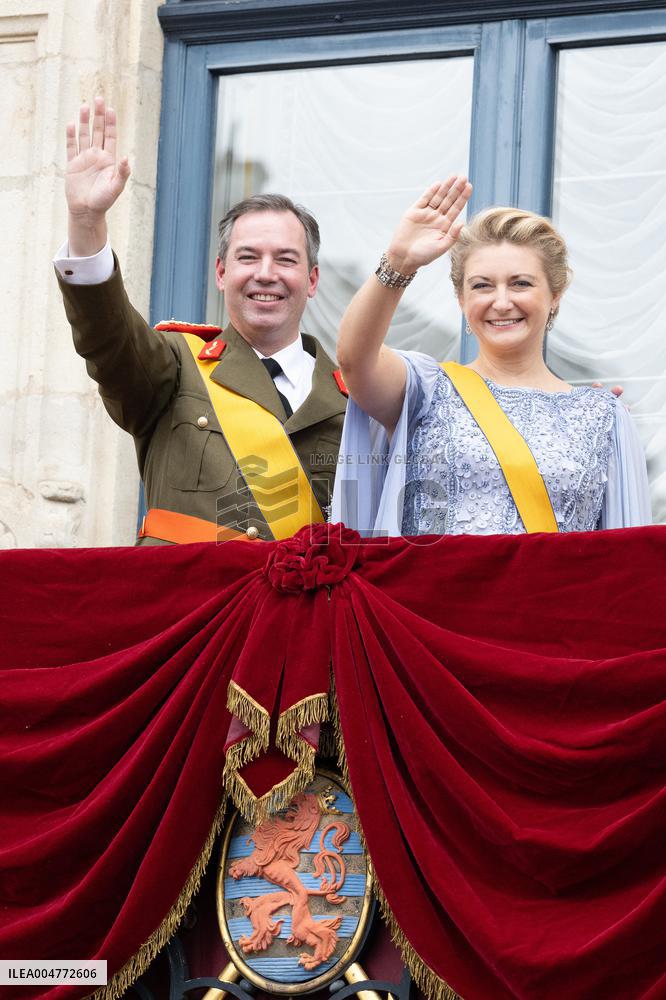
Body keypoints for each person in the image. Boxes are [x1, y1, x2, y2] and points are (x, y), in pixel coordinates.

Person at [55, 98, 347, 545]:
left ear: (311, 280)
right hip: (188, 590)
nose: (265, 273)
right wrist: (86, 222)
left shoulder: (354, 400)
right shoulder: (175, 365)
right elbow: (108, 339)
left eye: (286, 259)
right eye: (247, 257)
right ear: (221, 273)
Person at [332, 177, 651, 536]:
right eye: (482, 286)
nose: (501, 302)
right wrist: (400, 262)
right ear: (461, 299)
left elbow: (626, 554)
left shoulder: (603, 416)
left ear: (555, 295)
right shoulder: (425, 389)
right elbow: (354, 359)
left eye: (521, 283)